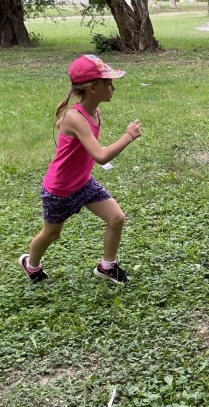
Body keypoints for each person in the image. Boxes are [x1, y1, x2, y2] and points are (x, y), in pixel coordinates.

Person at [18, 55, 143, 284]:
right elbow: (101, 155)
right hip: (60, 190)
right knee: (52, 234)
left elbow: (64, 125)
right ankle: (31, 265)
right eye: (108, 83)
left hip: (83, 183)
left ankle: (107, 267)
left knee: (116, 218)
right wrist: (129, 136)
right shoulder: (76, 118)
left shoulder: (91, 113)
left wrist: (65, 124)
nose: (112, 88)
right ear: (93, 88)